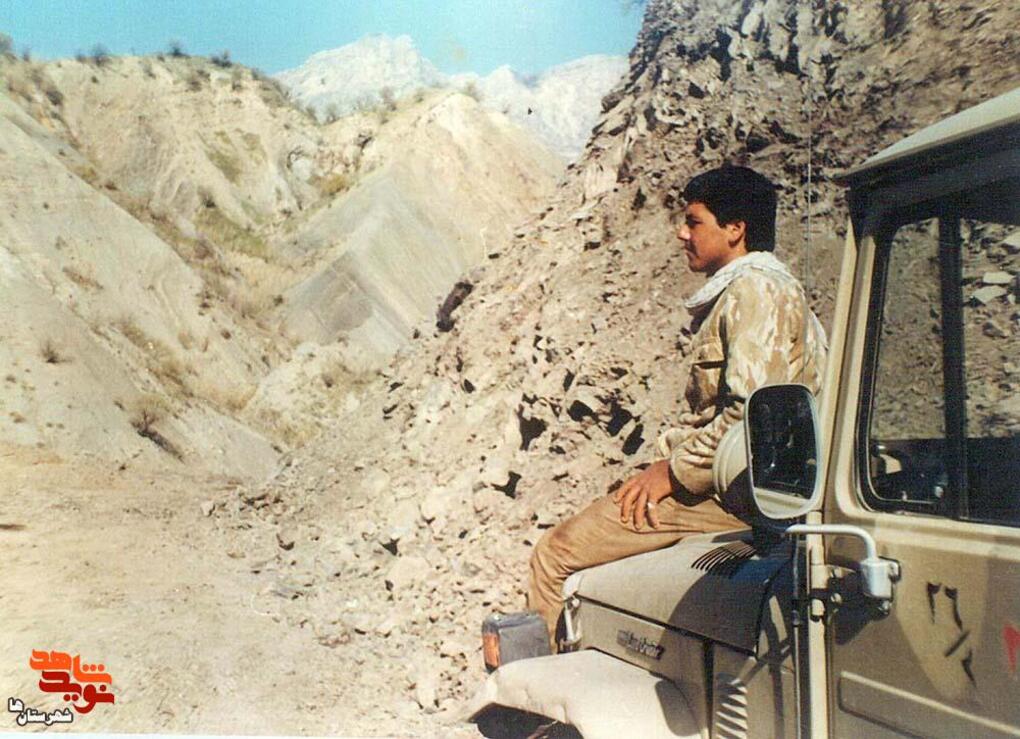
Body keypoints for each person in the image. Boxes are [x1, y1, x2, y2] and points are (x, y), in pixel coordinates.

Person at [527, 165, 828, 647]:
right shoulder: (760, 288)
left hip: (733, 493)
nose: (681, 234)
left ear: (735, 229)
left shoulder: (756, 291)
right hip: (733, 483)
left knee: (554, 556)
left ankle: (542, 689)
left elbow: (753, 415)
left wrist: (671, 473)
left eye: (694, 222)